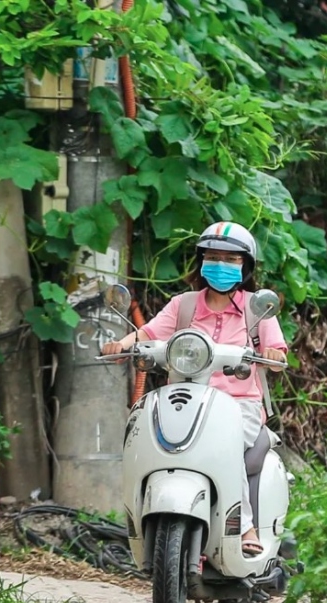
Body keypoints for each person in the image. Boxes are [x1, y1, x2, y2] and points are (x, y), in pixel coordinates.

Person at [102, 222, 289, 558]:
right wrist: (121, 345)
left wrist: (273, 356)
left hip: (239, 406)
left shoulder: (256, 308)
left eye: (231, 259)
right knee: (144, 435)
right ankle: (146, 519)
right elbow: (147, 333)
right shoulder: (184, 305)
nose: (221, 264)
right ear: (201, 262)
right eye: (213, 257)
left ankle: (244, 524)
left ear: (245, 266)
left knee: (227, 445)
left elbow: (277, 357)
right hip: (185, 399)